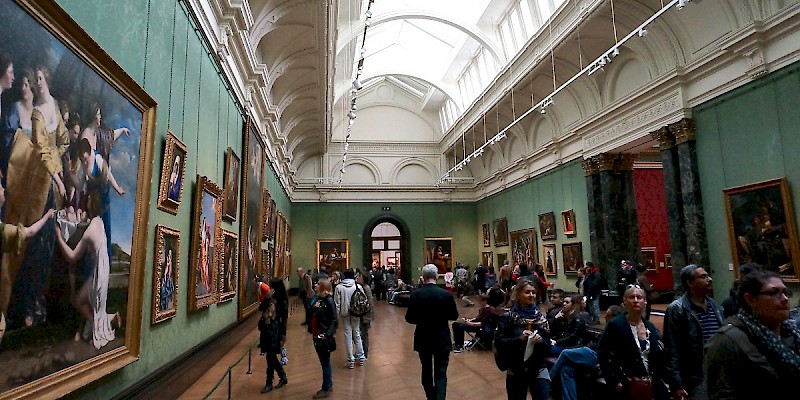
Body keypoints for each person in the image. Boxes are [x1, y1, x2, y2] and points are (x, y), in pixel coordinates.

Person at [705, 269, 800, 399]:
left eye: (785, 293)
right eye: (773, 293)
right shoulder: (727, 340)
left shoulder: (792, 332)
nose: (784, 299)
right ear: (750, 300)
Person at [54, 215, 123, 349]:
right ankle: (110, 318)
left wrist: (59, 237)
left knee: (78, 301)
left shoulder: (89, 232)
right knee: (95, 307)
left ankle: (104, 324)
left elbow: (72, 257)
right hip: (102, 269)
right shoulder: (99, 221)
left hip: (98, 273)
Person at [597, 284, 669, 400]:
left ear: (645, 302)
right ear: (624, 301)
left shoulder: (650, 327)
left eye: (639, 297)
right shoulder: (615, 325)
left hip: (650, 384)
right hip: (626, 384)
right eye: (632, 297)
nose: (636, 301)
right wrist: (614, 380)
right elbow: (603, 353)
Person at [662, 265, 722, 400]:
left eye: (708, 276)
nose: (709, 279)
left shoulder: (716, 306)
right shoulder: (677, 309)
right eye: (703, 277)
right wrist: (677, 384)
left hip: (718, 371)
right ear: (690, 282)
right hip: (695, 376)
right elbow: (672, 348)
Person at [405, 264, 459, 400]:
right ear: (436, 277)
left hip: (423, 338)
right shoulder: (446, 294)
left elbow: (409, 318)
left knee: (426, 370)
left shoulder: (416, 294)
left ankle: (430, 397)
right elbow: (454, 316)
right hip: (442, 338)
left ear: (423, 278)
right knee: (441, 372)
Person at [549, 305, 624, 400]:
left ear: (615, 317)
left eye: (608, 315)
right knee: (566, 369)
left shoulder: (617, 330)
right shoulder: (610, 327)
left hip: (597, 356)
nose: (604, 317)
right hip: (590, 352)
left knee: (565, 353)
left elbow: (607, 352)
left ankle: (548, 382)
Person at [494, 280, 552, 400]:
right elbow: (499, 342)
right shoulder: (508, 318)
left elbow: (548, 346)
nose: (531, 295)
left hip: (538, 367)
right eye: (527, 292)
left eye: (533, 292)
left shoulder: (541, 319)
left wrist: (541, 341)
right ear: (518, 294)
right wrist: (519, 339)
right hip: (516, 368)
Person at [308, 279, 337, 399]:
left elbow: (334, 320)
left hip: (323, 336)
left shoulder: (329, 300)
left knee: (325, 362)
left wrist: (327, 334)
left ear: (324, 287)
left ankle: (326, 387)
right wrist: (314, 308)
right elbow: (312, 312)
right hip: (317, 334)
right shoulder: (319, 299)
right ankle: (328, 383)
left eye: (318, 284)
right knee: (324, 361)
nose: (316, 285)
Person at [333, 268, 366, 368]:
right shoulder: (358, 286)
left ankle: (350, 359)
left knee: (347, 334)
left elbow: (337, 304)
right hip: (356, 312)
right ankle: (361, 356)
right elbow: (363, 299)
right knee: (357, 333)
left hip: (345, 313)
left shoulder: (339, 287)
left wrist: (336, 318)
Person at [258, 292, 288, 393]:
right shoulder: (267, 306)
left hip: (273, 338)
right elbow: (261, 309)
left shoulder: (279, 307)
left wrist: (282, 337)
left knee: (270, 359)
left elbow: (282, 323)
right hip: (267, 337)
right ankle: (282, 377)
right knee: (271, 359)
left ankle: (269, 382)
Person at [355, 269, 375, 359]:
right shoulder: (362, 287)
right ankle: (361, 352)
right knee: (361, 334)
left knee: (363, 335)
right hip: (364, 315)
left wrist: (367, 316)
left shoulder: (365, 288)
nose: (357, 277)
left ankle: (364, 353)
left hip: (365, 315)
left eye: (359, 276)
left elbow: (369, 303)